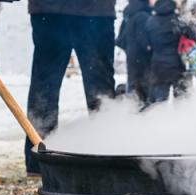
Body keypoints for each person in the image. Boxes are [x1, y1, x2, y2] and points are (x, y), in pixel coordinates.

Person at [24, 0, 117, 177]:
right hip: (92, 9)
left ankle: (38, 161)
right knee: (100, 88)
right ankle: (109, 156)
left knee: (45, 85)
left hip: (52, 9)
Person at [144, 0, 196, 104]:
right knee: (181, 101)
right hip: (177, 64)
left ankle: (158, 114)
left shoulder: (150, 21)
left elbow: (146, 43)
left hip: (158, 66)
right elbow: (194, 36)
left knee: (159, 102)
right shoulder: (177, 20)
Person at [118, 0, 153, 104]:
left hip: (132, 56)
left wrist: (130, 49)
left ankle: (133, 107)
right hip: (143, 57)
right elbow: (145, 40)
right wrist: (150, 48)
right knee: (144, 86)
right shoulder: (143, 15)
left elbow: (121, 39)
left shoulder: (129, 14)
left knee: (134, 85)